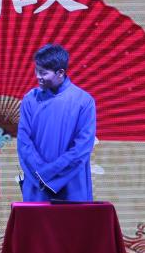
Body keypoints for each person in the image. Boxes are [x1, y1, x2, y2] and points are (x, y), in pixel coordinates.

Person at [16, 43, 97, 202]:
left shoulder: (84, 101)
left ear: (60, 72)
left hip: (72, 183)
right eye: (36, 71)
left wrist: (46, 174)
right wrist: (40, 174)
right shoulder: (30, 99)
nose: (38, 76)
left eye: (43, 73)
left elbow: (81, 148)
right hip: (37, 183)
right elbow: (24, 143)